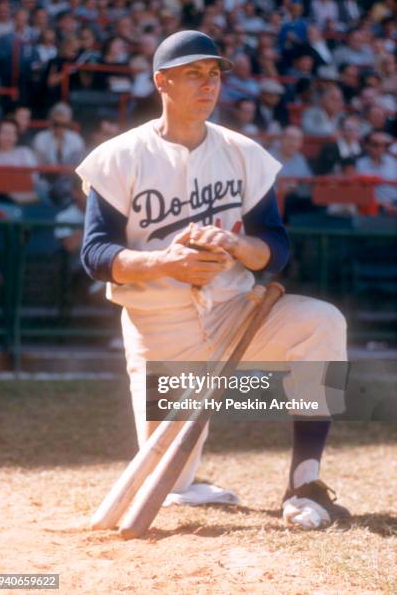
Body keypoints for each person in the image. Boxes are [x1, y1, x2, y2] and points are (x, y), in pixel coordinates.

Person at [77, 30, 350, 530]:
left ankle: (304, 482)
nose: (209, 85)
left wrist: (239, 248)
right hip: (160, 324)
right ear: (162, 82)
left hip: (234, 311)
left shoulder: (243, 152)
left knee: (322, 323)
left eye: (214, 74)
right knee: (170, 477)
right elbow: (95, 255)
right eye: (193, 74)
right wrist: (166, 263)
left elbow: (276, 246)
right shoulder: (119, 156)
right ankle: (187, 486)